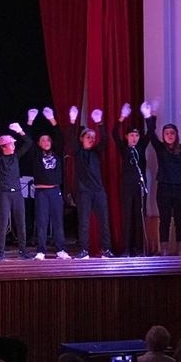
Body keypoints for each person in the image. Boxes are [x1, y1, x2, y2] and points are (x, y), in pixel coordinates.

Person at [144, 97, 181, 256]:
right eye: (166, 133)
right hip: (164, 189)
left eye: (172, 133)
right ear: (164, 135)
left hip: (180, 189)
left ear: (176, 135)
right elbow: (151, 134)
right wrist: (150, 116)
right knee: (165, 220)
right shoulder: (160, 148)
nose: (169, 135)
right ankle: (164, 249)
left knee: (180, 219)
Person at [67, 106, 114, 259]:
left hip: (99, 191)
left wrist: (99, 123)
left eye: (93, 138)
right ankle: (84, 251)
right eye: (88, 137)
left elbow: (105, 140)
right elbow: (72, 140)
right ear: (82, 139)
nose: (91, 140)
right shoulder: (77, 152)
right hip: (83, 192)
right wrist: (73, 121)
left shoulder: (96, 152)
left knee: (104, 221)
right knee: (84, 222)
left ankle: (106, 249)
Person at [26, 107, 70, 260]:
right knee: (42, 222)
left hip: (55, 191)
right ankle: (41, 251)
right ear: (39, 143)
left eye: (48, 139)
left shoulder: (57, 152)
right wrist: (30, 121)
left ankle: (60, 250)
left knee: (58, 221)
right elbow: (27, 140)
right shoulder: (36, 154)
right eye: (43, 140)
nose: (46, 142)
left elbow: (60, 136)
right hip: (41, 193)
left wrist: (52, 119)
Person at [0, 121, 33, 260]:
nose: (14, 145)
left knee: (21, 222)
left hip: (17, 193)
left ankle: (22, 250)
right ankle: (1, 252)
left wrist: (20, 131)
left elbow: (28, 143)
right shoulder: (0, 160)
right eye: (11, 143)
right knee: (3, 223)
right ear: (4, 147)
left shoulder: (15, 157)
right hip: (5, 194)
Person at [112, 102, 150, 257]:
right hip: (127, 186)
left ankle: (139, 249)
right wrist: (122, 117)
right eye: (131, 135)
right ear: (127, 137)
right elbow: (114, 133)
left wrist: (148, 116)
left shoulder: (141, 147)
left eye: (136, 135)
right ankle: (126, 249)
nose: (134, 138)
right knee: (127, 217)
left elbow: (151, 133)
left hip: (140, 185)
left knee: (139, 216)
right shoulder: (123, 147)